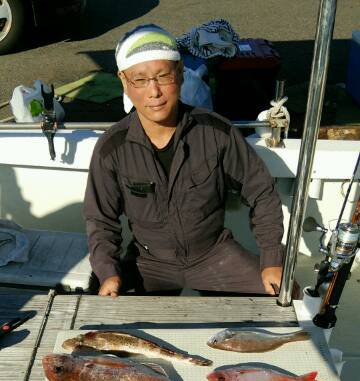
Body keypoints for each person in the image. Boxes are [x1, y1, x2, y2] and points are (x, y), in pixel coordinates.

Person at [84, 24, 286, 298]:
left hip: (215, 254)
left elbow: (261, 192)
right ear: (124, 82)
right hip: (149, 261)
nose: (154, 92)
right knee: (101, 311)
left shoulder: (218, 132)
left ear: (179, 74)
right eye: (140, 80)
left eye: (162, 76)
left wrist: (271, 259)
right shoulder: (111, 147)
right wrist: (107, 272)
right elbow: (101, 220)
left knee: (285, 296)